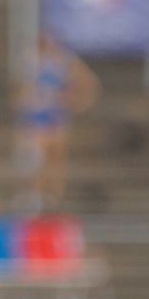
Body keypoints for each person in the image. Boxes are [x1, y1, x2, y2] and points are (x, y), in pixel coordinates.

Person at [15, 29, 99, 209]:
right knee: (36, 159)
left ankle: (53, 196)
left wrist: (77, 102)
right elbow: (24, 91)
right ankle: (36, 194)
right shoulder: (32, 60)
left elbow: (89, 83)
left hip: (56, 117)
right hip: (37, 118)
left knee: (55, 160)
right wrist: (25, 111)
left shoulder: (65, 60)